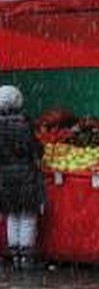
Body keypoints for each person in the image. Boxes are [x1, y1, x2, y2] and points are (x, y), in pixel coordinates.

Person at [0, 85, 46, 271]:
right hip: (26, 176)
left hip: (4, 178)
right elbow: (36, 150)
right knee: (27, 215)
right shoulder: (24, 125)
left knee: (11, 215)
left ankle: (15, 255)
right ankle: (26, 257)